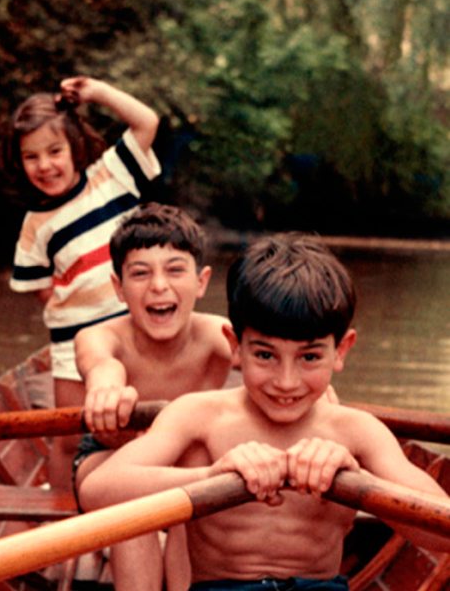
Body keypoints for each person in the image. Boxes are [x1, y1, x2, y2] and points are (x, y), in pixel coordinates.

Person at [78, 232, 450, 591]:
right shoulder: (197, 416)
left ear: (341, 350)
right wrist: (210, 477)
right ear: (235, 346)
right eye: (265, 355)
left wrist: (357, 477)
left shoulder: (357, 432)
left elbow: (441, 532)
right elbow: (97, 490)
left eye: (309, 357)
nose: (286, 382)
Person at [4, 76, 161, 489]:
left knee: (143, 428)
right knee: (68, 436)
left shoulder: (111, 176)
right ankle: (60, 518)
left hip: (135, 333)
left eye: (54, 151)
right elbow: (43, 290)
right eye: (31, 157)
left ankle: (141, 501)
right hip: (73, 344)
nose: (45, 165)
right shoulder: (34, 226)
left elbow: (147, 122)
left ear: (74, 146)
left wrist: (98, 93)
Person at [74, 201, 234, 591]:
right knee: (135, 499)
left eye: (175, 270)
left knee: (198, 480)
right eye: (140, 273)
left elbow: (274, 366)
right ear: (118, 288)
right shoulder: (99, 337)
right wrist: (106, 390)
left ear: (201, 281)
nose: (159, 286)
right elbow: (101, 366)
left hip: (190, 466)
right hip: (109, 458)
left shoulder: (221, 335)